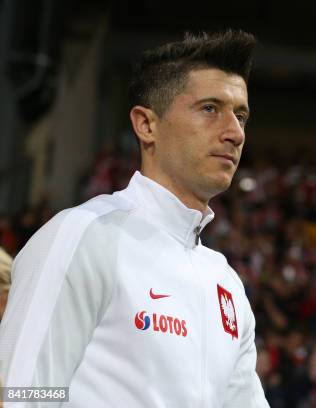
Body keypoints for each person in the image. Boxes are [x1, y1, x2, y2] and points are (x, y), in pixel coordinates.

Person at [0, 30, 269, 407]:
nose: (235, 132)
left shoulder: (225, 283)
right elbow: (23, 393)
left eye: (241, 116)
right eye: (210, 109)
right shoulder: (82, 237)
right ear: (146, 125)